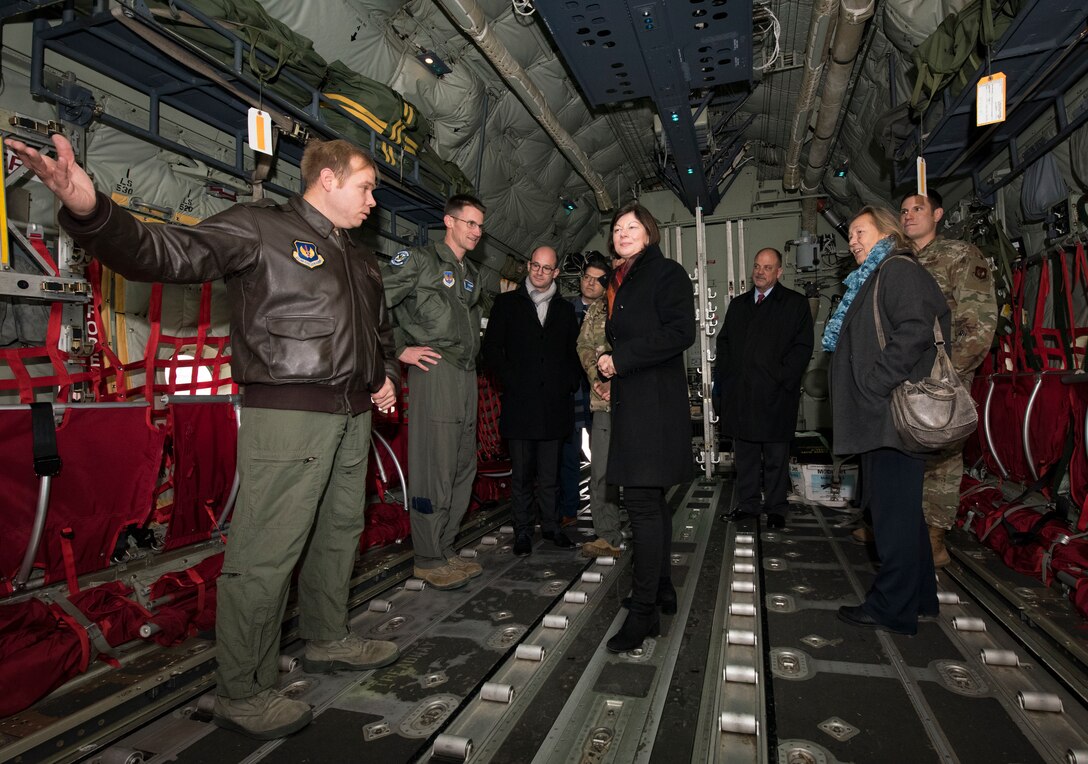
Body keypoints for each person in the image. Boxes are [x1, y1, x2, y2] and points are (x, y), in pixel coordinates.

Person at [4, 133, 401, 740]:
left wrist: (384, 377)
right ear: (328, 179)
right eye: (367, 186)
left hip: (352, 417)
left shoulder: (361, 259)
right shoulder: (259, 229)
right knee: (266, 553)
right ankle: (243, 691)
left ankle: (328, 637)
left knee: (338, 534)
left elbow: (378, 332)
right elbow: (168, 252)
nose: (374, 200)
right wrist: (92, 210)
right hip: (289, 413)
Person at [823, 205, 949, 635]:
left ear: (887, 232)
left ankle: (892, 607)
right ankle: (921, 598)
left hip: (890, 415)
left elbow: (915, 330)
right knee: (904, 513)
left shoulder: (897, 270)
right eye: (851, 235)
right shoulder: (877, 276)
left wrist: (875, 384)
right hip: (881, 416)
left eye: (860, 232)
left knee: (891, 518)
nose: (852, 241)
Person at [596, 201, 695, 652]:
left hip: (653, 405)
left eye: (632, 226)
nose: (622, 233)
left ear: (649, 232)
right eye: (617, 228)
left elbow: (680, 332)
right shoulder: (622, 279)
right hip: (635, 402)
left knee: (641, 505)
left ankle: (643, 613)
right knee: (650, 503)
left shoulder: (666, 273)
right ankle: (663, 589)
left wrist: (621, 359)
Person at [382, 194, 487, 590]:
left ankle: (444, 547)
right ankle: (426, 556)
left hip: (465, 372)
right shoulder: (419, 261)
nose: (476, 231)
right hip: (434, 368)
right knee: (435, 466)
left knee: (463, 464)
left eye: (480, 225)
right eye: (470, 223)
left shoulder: (471, 273)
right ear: (449, 221)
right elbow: (376, 302)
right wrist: (398, 349)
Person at [901, 190, 997, 567]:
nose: (909, 216)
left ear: (938, 214)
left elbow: (979, 321)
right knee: (901, 451)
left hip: (945, 373)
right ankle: (897, 526)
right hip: (906, 373)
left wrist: (952, 375)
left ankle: (934, 536)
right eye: (904, 210)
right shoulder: (900, 262)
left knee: (942, 456)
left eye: (918, 209)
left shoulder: (960, 255)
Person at [482, 246, 580, 555]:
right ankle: (522, 531)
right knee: (522, 475)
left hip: (553, 406)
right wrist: (512, 382)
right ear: (528, 265)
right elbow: (492, 351)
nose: (539, 272)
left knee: (550, 475)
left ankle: (551, 527)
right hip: (520, 405)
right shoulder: (507, 304)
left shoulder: (564, 310)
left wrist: (566, 384)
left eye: (546, 268)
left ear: (556, 273)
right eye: (535, 265)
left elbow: (573, 354)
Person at [717, 248, 814, 530]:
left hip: (775, 396)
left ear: (779, 272)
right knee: (745, 457)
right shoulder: (739, 305)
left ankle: (775, 508)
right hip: (741, 395)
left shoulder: (794, 305)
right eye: (757, 266)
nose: (760, 272)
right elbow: (723, 343)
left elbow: (802, 348)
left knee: (775, 458)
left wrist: (781, 379)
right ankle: (748, 505)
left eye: (767, 268)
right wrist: (728, 376)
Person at [574, 255, 624, 557]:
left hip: (634, 400)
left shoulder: (640, 303)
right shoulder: (596, 308)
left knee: (641, 470)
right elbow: (583, 345)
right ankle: (608, 535)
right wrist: (597, 376)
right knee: (602, 470)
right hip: (602, 401)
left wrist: (615, 381)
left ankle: (646, 529)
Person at [557, 253, 608, 529]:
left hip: (600, 389)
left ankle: (607, 513)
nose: (590, 284)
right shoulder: (564, 309)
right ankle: (569, 508)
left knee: (605, 455)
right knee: (569, 454)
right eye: (587, 278)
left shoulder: (611, 310)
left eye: (597, 280)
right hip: (571, 392)